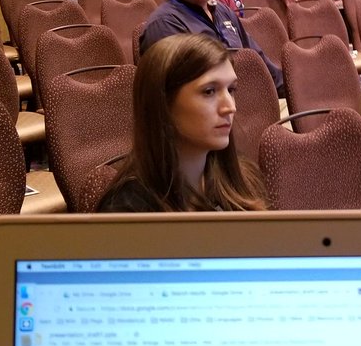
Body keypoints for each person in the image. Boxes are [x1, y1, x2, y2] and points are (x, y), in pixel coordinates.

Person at [97, 33, 265, 213]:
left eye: (231, 89)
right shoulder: (126, 210)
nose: (230, 107)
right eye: (209, 91)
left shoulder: (243, 178)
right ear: (163, 103)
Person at [142, 0, 283, 92]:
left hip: (249, 97)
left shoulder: (221, 10)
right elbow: (180, 91)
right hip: (210, 108)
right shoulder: (164, 24)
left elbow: (256, 57)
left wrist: (288, 90)